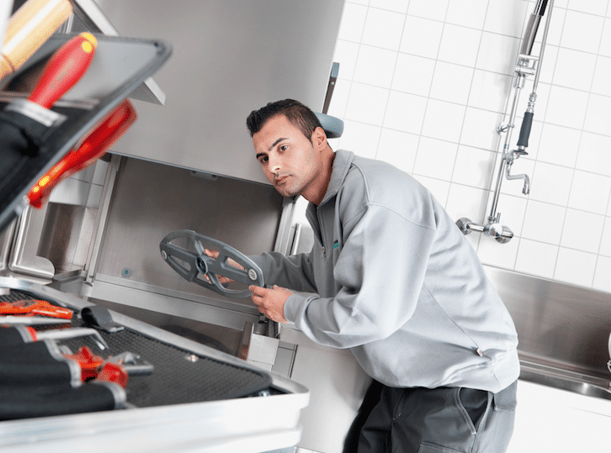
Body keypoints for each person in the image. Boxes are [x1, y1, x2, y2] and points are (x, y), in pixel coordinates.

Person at [210, 99, 520, 452]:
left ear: (318, 139)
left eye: (283, 148)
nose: (274, 166)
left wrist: (292, 307)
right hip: (408, 382)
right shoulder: (326, 202)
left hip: (462, 385)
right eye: (264, 157)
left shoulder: (373, 198)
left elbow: (368, 316)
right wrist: (244, 266)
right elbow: (319, 271)